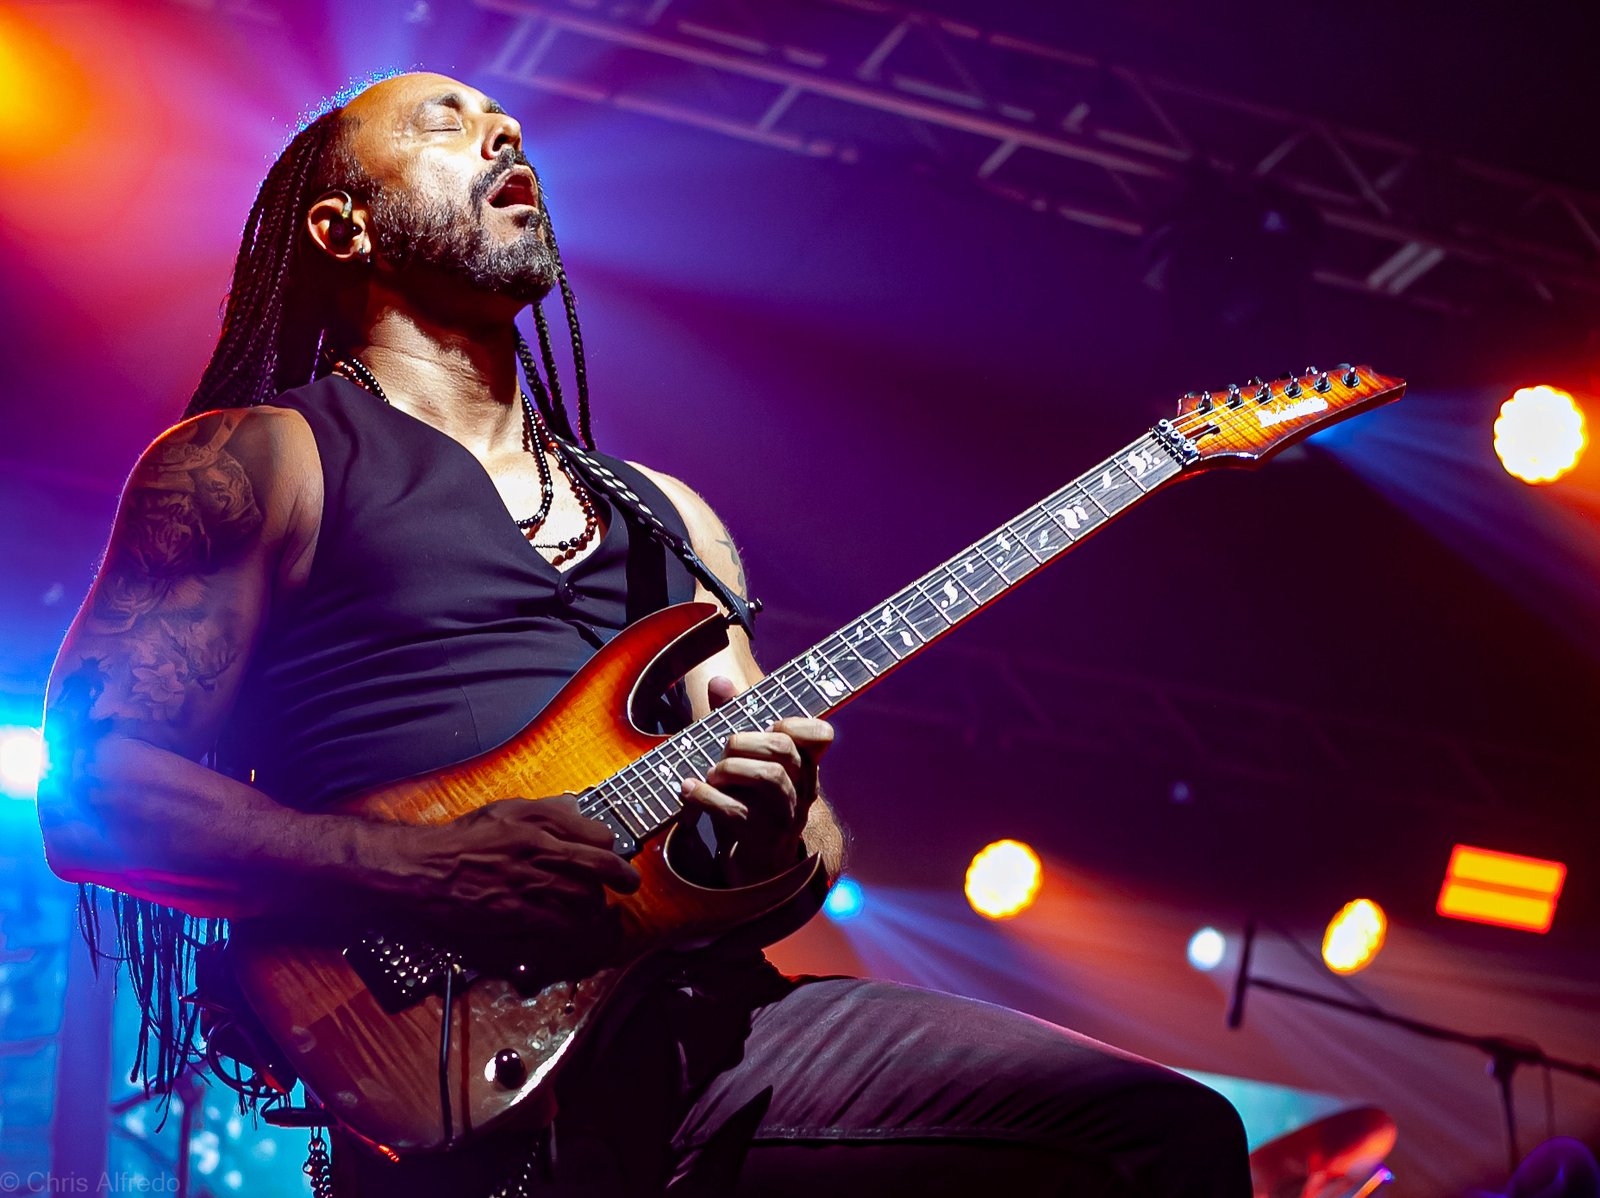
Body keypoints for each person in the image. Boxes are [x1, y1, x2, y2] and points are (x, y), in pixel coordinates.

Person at [36, 72, 1251, 1196]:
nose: (501, 132)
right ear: (342, 228)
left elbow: (811, 850)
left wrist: (775, 829)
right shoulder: (262, 459)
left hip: (710, 1035)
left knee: (1158, 1132)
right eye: (445, 122)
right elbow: (93, 794)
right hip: (434, 1042)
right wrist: (419, 865)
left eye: (507, 123)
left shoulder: (670, 517)